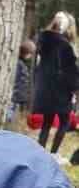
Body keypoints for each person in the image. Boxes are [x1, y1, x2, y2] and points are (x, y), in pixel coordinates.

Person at [33, 13, 78, 155]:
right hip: (61, 93)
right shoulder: (66, 46)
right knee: (64, 122)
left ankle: (40, 153)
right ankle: (53, 154)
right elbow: (71, 72)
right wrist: (76, 89)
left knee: (47, 123)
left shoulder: (44, 41)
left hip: (46, 90)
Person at [7, 38, 35, 128]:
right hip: (13, 98)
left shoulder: (21, 64)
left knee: (11, 117)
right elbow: (18, 83)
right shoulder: (20, 65)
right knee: (8, 118)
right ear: (27, 53)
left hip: (15, 99)